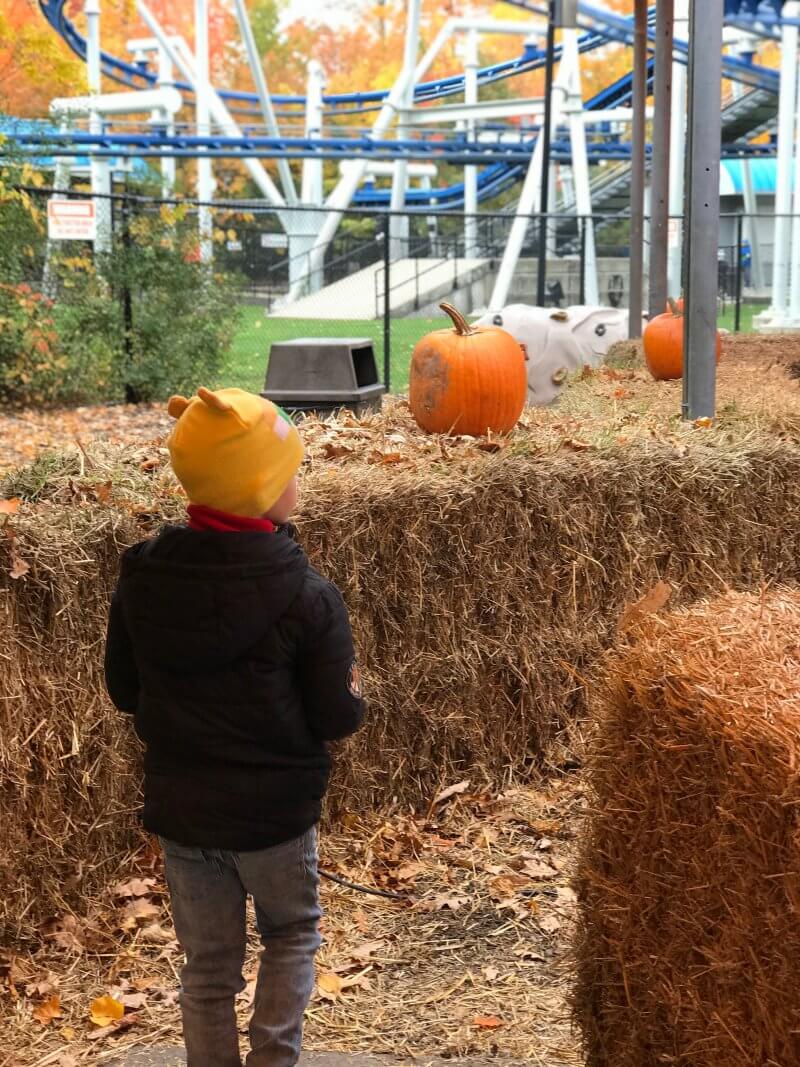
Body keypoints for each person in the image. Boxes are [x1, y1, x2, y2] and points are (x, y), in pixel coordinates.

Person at [104, 387, 365, 1067]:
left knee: (208, 966)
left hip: (186, 816)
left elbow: (124, 691)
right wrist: (352, 689)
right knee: (292, 933)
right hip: (276, 818)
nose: (298, 481)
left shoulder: (143, 578)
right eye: (290, 470)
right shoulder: (308, 595)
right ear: (261, 489)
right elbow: (336, 715)